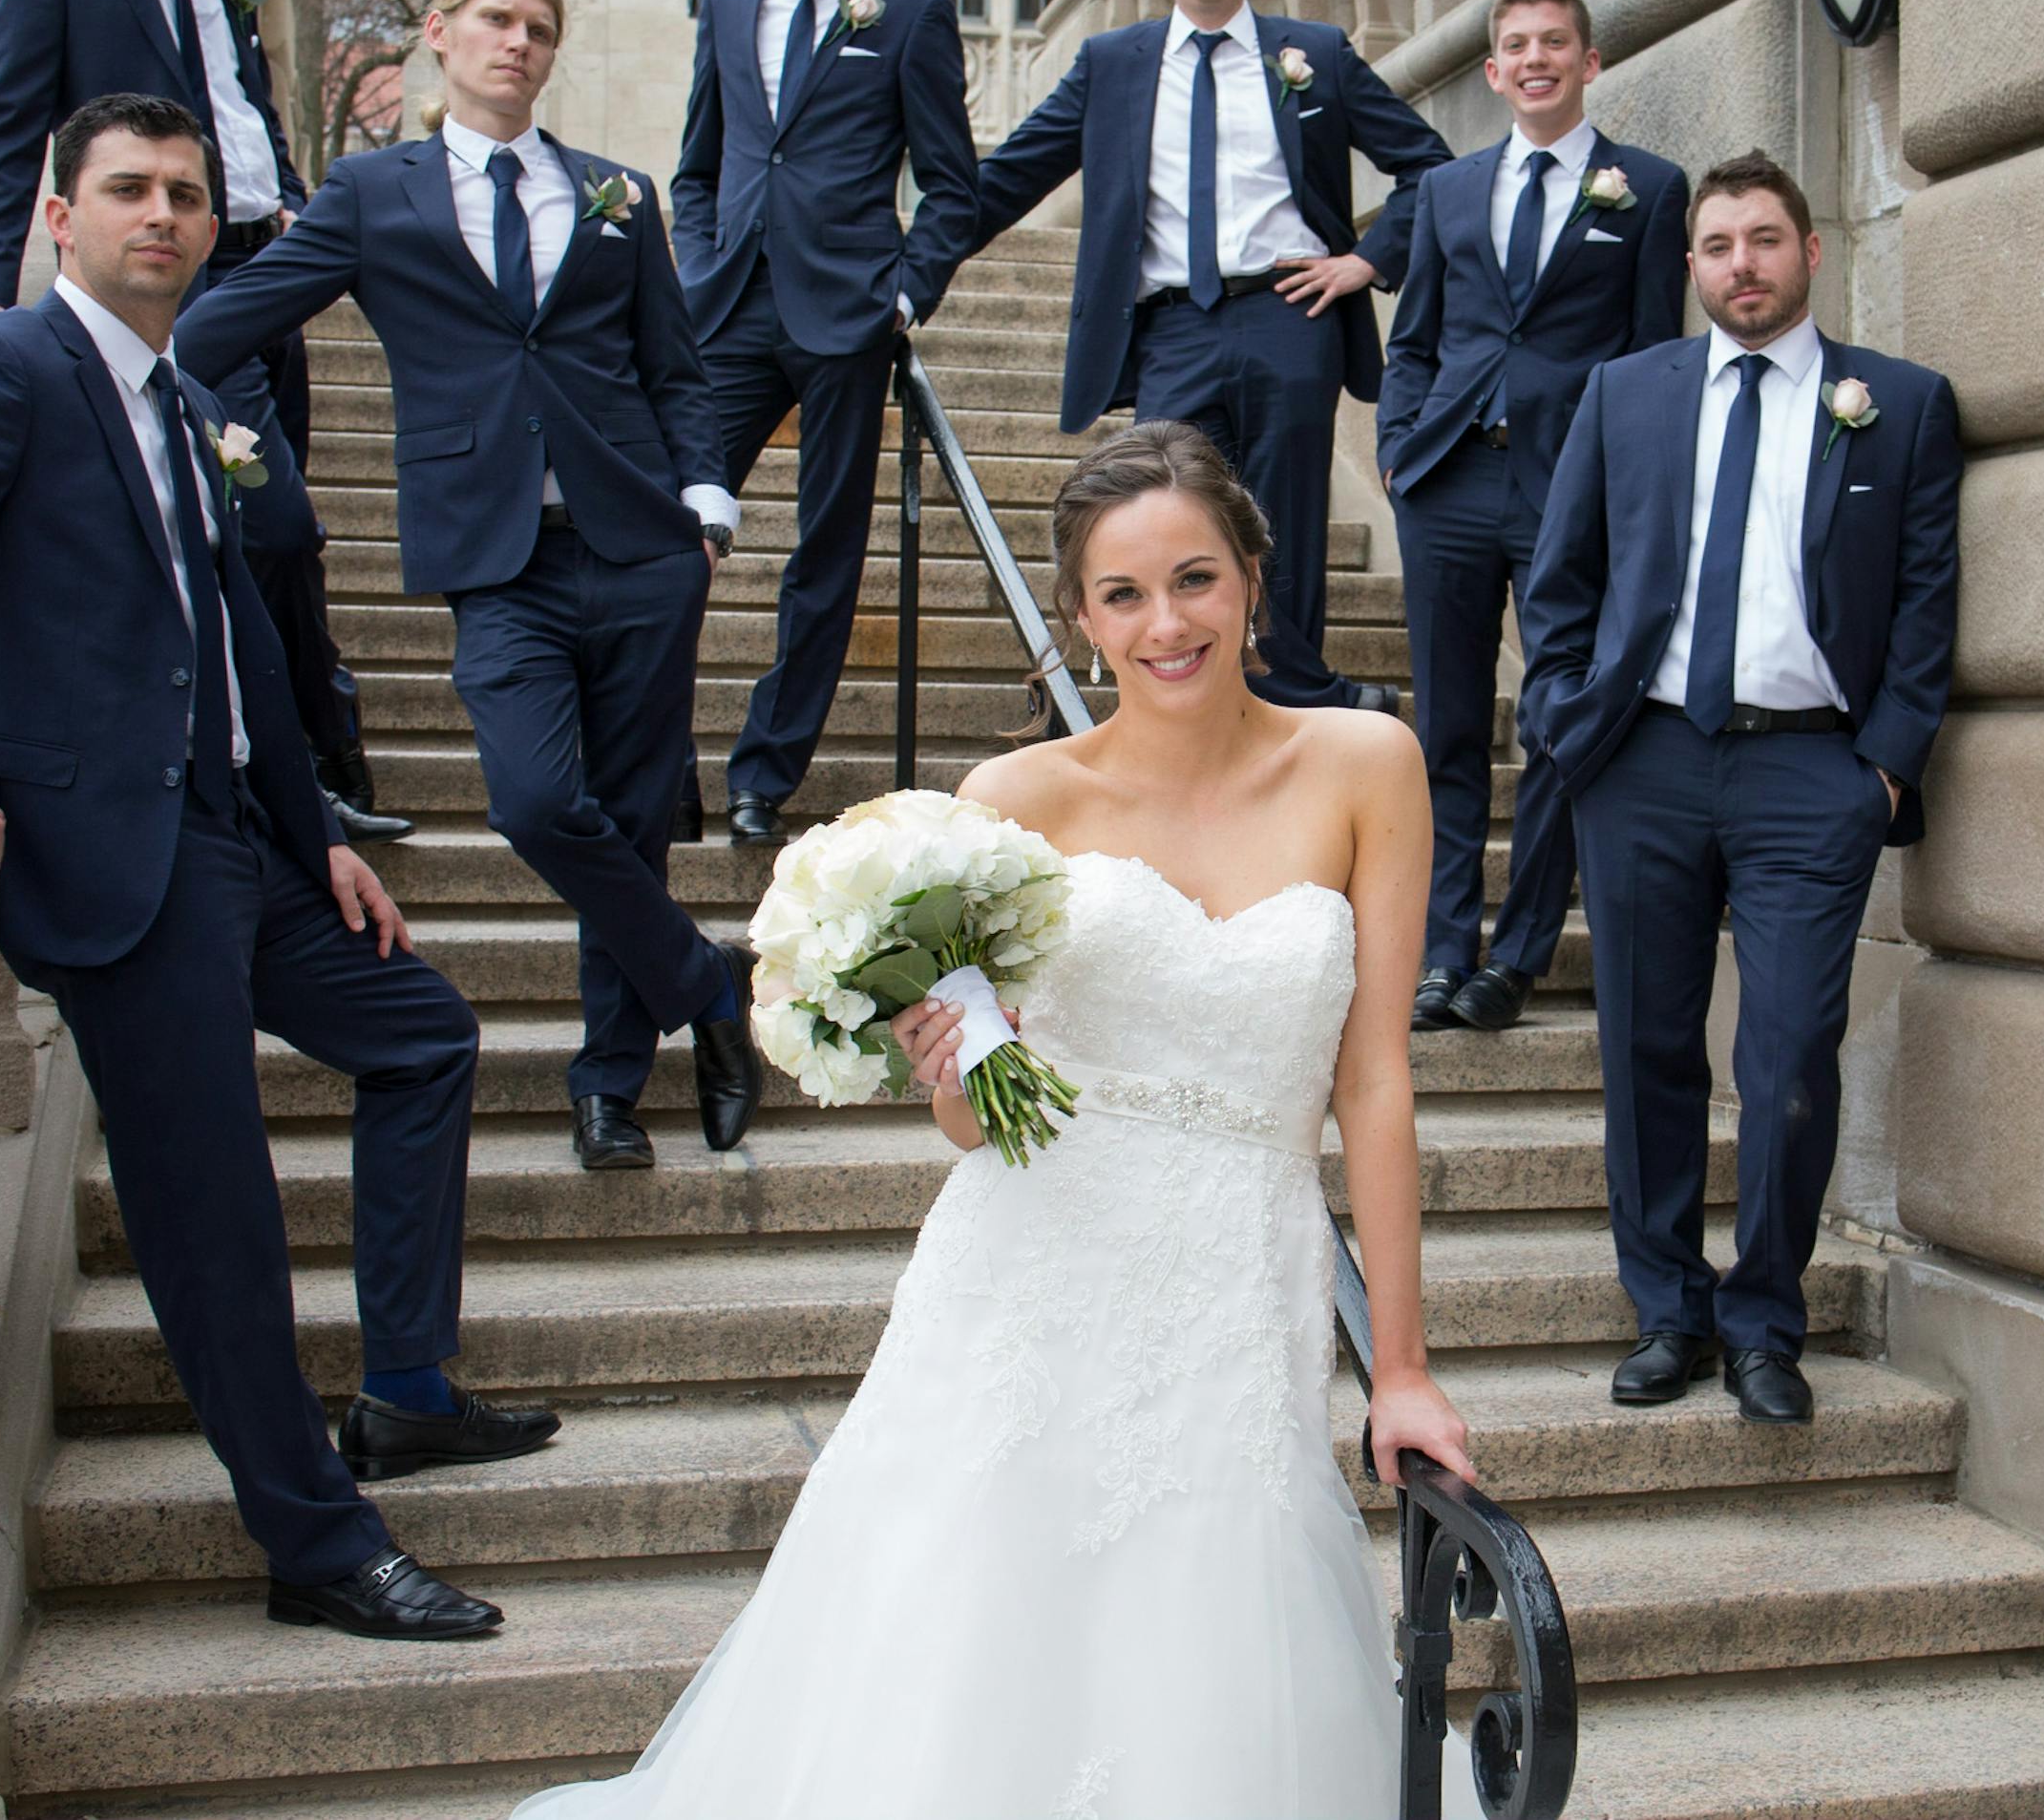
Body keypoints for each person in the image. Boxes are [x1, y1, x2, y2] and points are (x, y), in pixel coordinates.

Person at [511, 422, 1478, 1817]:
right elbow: (977, 1125)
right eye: (1125, 594)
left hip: (1232, 1275)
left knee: (1211, 1634)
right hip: (1023, 1274)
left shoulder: (1366, 764)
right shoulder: (1011, 801)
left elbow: (1374, 1076)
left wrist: (1401, 1361)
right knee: (961, 1627)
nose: (1167, 623)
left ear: (1255, 576)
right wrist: (944, 1064)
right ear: (1079, 615)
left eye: (1196, 578)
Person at [0, 94, 542, 1640]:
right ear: (59, 217)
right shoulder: (6, 365)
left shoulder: (186, 394)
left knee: (426, 1033)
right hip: (107, 860)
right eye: (129, 189)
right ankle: (317, 1545)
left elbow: (238, 635)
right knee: (216, 1216)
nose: (164, 216)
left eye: (189, 194)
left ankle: (401, 1383)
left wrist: (319, 833)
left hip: (234, 842)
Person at [176, 0, 770, 1175]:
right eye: (496, 20)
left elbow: (674, 370)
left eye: (540, 27)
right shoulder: (369, 193)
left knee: (631, 820)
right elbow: (210, 327)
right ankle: (710, 984)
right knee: (538, 802)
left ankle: (610, 1084)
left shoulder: (616, 194)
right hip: (496, 559)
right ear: (439, 34)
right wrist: (213, 434)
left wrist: (705, 494)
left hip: (644, 547)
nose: (518, 42)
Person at [1520, 151, 1961, 1427]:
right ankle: (1667, 1307)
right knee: (1648, 1044)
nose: (1741, 265)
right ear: (1693, 261)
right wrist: (1565, 722)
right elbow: (1563, 580)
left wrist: (1882, 764)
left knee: (1785, 1054)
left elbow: (1927, 599)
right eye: (1717, 245)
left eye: (1764, 240)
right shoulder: (1626, 393)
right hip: (1642, 761)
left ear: (1811, 252)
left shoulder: (1904, 404)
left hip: (1810, 769)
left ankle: (1767, 1316)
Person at [0, 0, 407, 845]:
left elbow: (242, 100)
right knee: (271, 524)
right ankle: (322, 757)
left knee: (265, 535)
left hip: (258, 270)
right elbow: (4, 136)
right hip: (161, 284)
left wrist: (284, 190)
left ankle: (294, 771)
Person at [966, 0, 1452, 712]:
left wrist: (1366, 261)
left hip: (1289, 312)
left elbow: (1430, 164)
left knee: (1287, 518)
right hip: (1169, 327)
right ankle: (1237, 684)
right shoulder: (1113, 63)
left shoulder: (1313, 54)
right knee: (1169, 505)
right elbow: (1010, 177)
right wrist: (906, 254)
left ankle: (1289, 699)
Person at [1376, 0, 1686, 1037]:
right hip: (1449, 479)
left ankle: (1515, 955)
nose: (1536, 58)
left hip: (1571, 488)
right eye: (1516, 45)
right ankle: (1441, 949)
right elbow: (1414, 337)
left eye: (1556, 41)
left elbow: (1650, 357)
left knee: (1557, 721)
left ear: (1588, 62)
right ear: (1494, 71)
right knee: (1449, 726)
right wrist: (1395, 447)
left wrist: (1630, 491)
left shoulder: (1647, 188)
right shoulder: (1449, 191)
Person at [670, 0, 979, 848]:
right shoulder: (728, 7)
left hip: (847, 318)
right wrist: (697, 258)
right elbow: (699, 164)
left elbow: (951, 186)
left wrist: (904, 293)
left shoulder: (910, 14)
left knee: (824, 554)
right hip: (727, 308)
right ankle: (661, 752)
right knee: (671, 531)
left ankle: (765, 769)